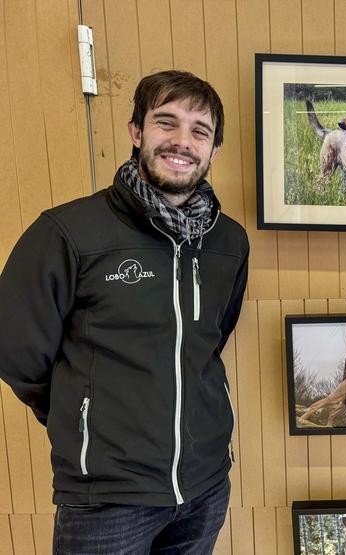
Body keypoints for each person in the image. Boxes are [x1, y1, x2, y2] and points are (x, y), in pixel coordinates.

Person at [0, 70, 249, 553]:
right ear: (136, 132)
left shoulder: (229, 243)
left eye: (200, 130)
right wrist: (86, 411)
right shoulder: (68, 233)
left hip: (205, 486)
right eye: (166, 123)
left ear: (214, 150)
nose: (182, 141)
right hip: (107, 500)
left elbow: (212, 338)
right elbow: (16, 351)